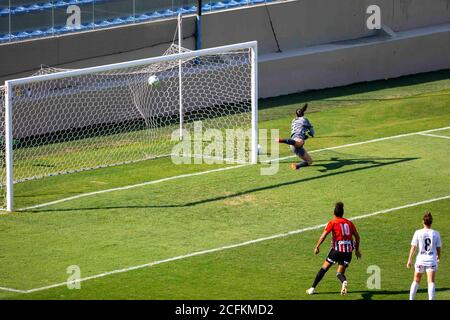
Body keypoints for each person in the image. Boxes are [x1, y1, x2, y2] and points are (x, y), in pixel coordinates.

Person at [306, 202, 361, 295]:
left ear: (334, 213)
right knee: (340, 273)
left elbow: (323, 236)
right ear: (343, 213)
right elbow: (357, 237)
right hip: (348, 252)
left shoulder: (332, 222)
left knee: (324, 268)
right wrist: (357, 250)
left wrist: (317, 246)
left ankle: (312, 288)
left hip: (336, 250)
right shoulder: (349, 223)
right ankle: (344, 282)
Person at [407, 212, 441, 300]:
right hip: (431, 260)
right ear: (431, 222)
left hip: (420, 260)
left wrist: (409, 260)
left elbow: (413, 247)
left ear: (423, 221)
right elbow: (438, 248)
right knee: (431, 281)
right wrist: (438, 256)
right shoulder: (436, 233)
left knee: (416, 280)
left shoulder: (418, 232)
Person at [277, 104, 315, 170]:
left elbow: (299, 128)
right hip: (297, 139)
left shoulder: (293, 120)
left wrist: (304, 136)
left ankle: (297, 166)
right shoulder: (304, 119)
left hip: (293, 144)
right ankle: (284, 140)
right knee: (300, 142)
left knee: (309, 161)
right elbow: (312, 131)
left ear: (296, 114)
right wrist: (311, 134)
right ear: (303, 113)